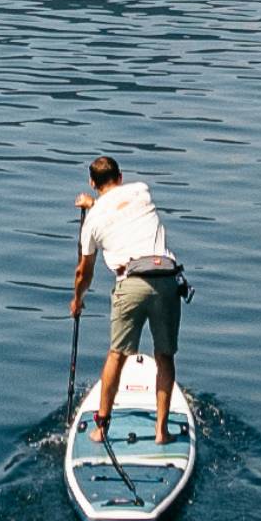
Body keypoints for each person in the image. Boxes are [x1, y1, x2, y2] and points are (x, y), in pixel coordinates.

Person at [70, 155, 185, 445]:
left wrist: (77, 300)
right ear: (120, 177)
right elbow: (123, 210)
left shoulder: (92, 223)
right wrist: (95, 205)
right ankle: (161, 431)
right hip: (167, 280)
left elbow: (84, 272)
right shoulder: (141, 190)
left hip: (130, 285)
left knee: (117, 356)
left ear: (92, 184)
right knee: (164, 356)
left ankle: (101, 429)